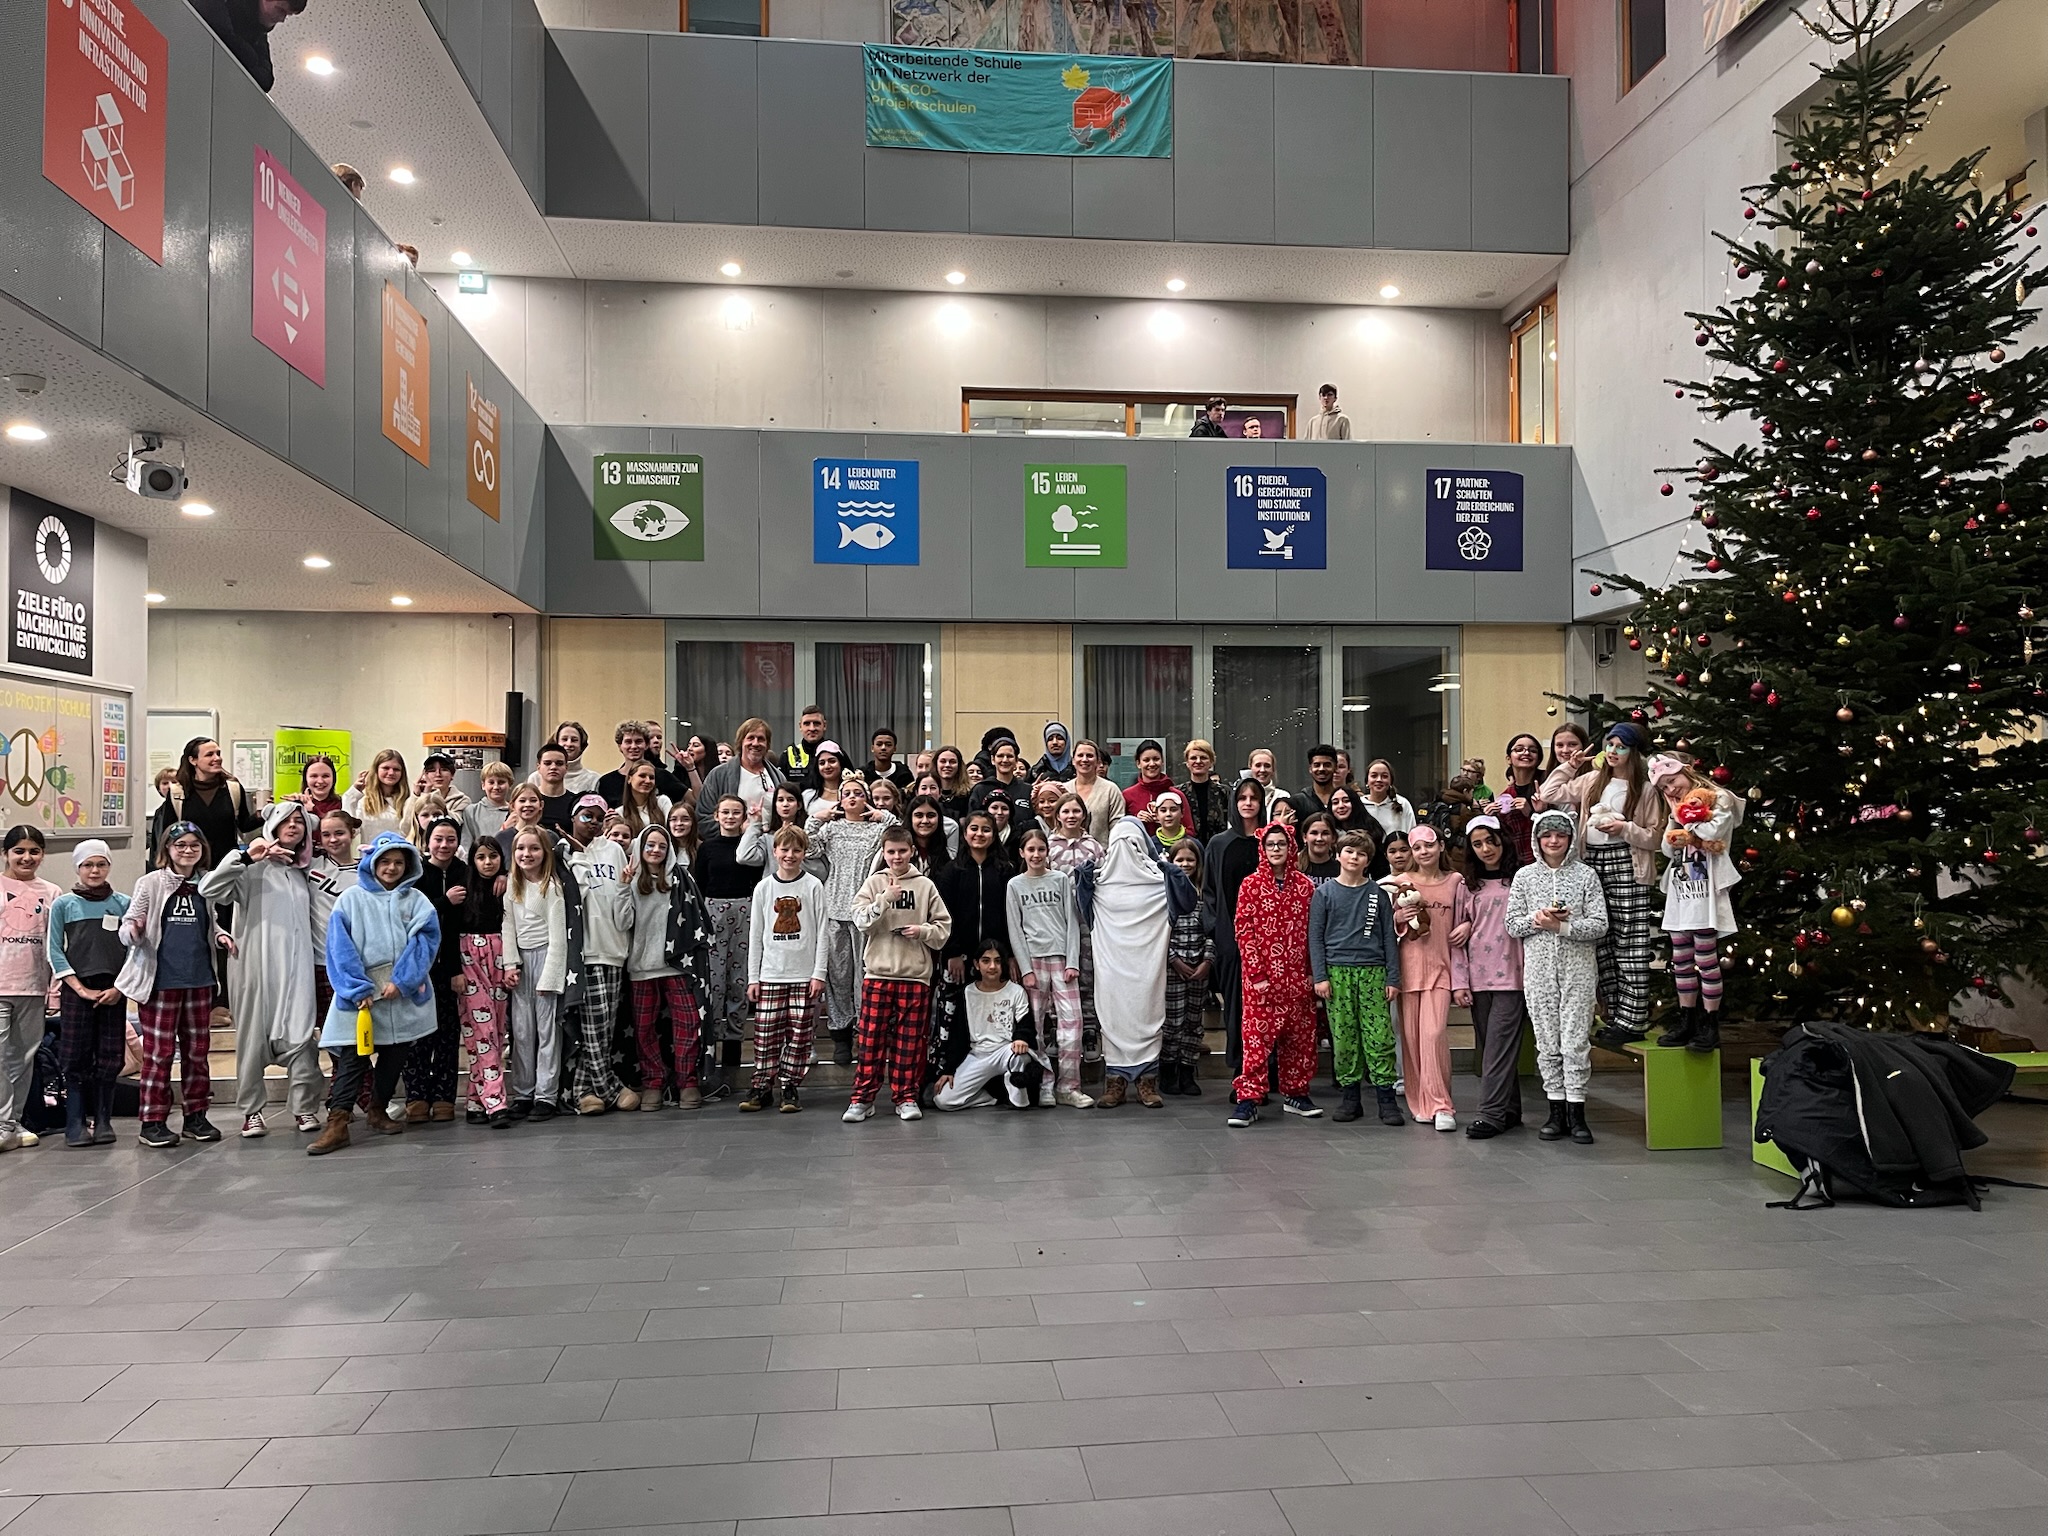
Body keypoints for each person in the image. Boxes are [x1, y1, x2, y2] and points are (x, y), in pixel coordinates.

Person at [305, 835, 442, 1157]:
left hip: (400, 997)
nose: (391, 868)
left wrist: (403, 981)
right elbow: (339, 947)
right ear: (372, 863)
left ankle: (378, 1110)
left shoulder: (417, 901)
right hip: (361, 999)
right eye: (385, 861)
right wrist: (357, 988)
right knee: (353, 1059)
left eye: (398, 862)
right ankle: (337, 1123)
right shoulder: (351, 899)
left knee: (395, 1057)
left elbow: (425, 943)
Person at [199, 803, 321, 1139]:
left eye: (300, 822)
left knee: (302, 1036)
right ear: (273, 826)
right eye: (287, 821)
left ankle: (305, 1107)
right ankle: (252, 1112)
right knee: (252, 1041)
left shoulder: (305, 870)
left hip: (297, 967)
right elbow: (208, 889)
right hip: (255, 967)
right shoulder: (252, 870)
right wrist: (245, 856)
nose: (294, 826)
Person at [1541, 720, 1664, 1048]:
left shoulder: (1645, 789)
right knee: (1603, 940)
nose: (1613, 751)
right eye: (1610, 744)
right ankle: (1614, 1014)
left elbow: (1655, 837)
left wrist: (1624, 829)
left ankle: (1633, 1018)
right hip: (1592, 862)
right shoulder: (1593, 780)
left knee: (1630, 942)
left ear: (1633, 752)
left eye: (1621, 747)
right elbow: (1549, 793)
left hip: (1627, 864)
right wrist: (1570, 766)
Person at [119, 824, 228, 1149]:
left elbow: (211, 922)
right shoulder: (151, 883)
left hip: (199, 980)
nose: (187, 850)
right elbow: (128, 924)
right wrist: (134, 931)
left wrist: (222, 936)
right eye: (180, 845)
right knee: (160, 1054)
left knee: (197, 1053)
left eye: (194, 844)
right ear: (167, 848)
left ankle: (196, 1116)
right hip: (160, 983)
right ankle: (153, 1121)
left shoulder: (206, 883)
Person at [1505, 809, 1609, 1145]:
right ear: (1537, 839)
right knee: (1547, 1040)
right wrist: (1539, 919)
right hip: (1538, 972)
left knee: (1575, 1040)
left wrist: (1563, 927)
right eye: (1547, 835)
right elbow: (1512, 925)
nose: (1553, 841)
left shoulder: (1586, 876)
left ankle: (1577, 1112)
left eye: (1560, 835)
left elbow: (1600, 925)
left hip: (1579, 970)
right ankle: (1556, 1111)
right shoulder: (1524, 877)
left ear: (1570, 838)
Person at [842, 825, 951, 1123]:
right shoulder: (874, 883)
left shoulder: (925, 886)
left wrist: (922, 931)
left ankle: (906, 1097)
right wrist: (884, 899)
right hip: (878, 973)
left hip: (914, 975)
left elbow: (943, 929)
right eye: (891, 851)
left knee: (910, 1043)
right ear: (884, 852)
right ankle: (862, 1099)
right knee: (870, 1040)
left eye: (902, 851)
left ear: (912, 851)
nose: (897, 856)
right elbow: (861, 921)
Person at [1648, 756, 1741, 1055]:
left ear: (1686, 773)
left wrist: (1685, 814)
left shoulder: (1718, 798)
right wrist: (1674, 818)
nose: (1671, 789)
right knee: (1681, 960)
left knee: (1706, 958)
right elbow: (1667, 848)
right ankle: (1687, 1020)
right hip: (1680, 890)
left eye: (1672, 781)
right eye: (1664, 787)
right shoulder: (1677, 810)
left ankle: (1710, 1024)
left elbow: (1713, 833)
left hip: (1706, 892)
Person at [1227, 823, 1319, 1127]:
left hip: (1298, 979)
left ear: (1291, 848)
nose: (1276, 849)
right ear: (1262, 849)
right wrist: (1256, 974)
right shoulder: (1251, 885)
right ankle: (1249, 1099)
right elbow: (1244, 931)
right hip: (1262, 982)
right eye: (1271, 844)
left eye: (1282, 844)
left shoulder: (1305, 886)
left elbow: (1314, 933)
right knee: (1256, 1042)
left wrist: (1311, 972)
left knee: (1300, 1039)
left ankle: (1296, 1094)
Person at [1311, 831, 1403, 1126]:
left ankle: (1386, 1098)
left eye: (1361, 854)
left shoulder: (1377, 894)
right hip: (1337, 973)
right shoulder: (1324, 894)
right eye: (1349, 851)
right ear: (1338, 855)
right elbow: (1315, 938)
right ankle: (1350, 1096)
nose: (1354, 857)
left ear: (1368, 861)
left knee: (1380, 1036)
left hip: (1373, 972)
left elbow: (1388, 937)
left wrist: (1393, 977)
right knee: (1344, 1037)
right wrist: (1320, 976)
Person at [807, 777, 896, 1068]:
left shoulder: (876, 831)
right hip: (835, 908)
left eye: (859, 793)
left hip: (866, 910)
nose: (853, 798)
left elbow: (898, 834)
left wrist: (884, 815)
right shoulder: (831, 829)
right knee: (838, 975)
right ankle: (840, 1033)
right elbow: (808, 849)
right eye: (847, 794)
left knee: (864, 974)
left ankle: (864, 1030)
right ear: (840, 800)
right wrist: (816, 818)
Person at [624, 824, 712, 1111]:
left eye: (662, 846)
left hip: (678, 965)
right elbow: (622, 922)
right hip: (641, 967)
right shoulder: (631, 881)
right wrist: (623, 888)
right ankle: (653, 1082)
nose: (656, 850)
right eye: (650, 845)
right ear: (640, 848)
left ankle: (687, 1080)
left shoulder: (681, 880)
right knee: (644, 1028)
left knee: (688, 1024)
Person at [559, 797, 637, 1117]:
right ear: (573, 817)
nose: (592, 822)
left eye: (598, 818)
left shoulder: (613, 850)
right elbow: (575, 899)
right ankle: (608, 1087)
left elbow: (620, 902)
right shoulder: (563, 852)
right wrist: (578, 855)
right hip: (584, 952)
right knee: (593, 1025)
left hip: (613, 948)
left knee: (604, 1027)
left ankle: (583, 1090)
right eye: (586, 816)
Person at [48, 841, 129, 1148]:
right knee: (75, 1055)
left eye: (101, 864)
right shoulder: (63, 905)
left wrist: (119, 988)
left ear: (108, 866)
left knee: (110, 1055)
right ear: (78, 868)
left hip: (113, 989)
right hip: (77, 989)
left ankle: (104, 1120)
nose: (94, 871)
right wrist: (79, 988)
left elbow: (135, 949)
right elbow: (54, 950)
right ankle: (75, 1122)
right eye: (88, 865)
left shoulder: (123, 904)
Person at [1090, 819, 1175, 1109]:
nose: (1126, 850)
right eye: (1120, 844)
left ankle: (1147, 1081)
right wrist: (1084, 881)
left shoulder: (1159, 881)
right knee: (1113, 1015)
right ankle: (1114, 1081)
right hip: (1111, 963)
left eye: (1134, 844)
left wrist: (1172, 874)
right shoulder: (1099, 882)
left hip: (1147, 964)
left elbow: (1185, 903)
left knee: (1147, 1012)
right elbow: (1084, 911)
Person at [1451, 816, 1526, 1140]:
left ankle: (1490, 1114)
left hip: (1513, 978)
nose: (1486, 849)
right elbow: (1455, 938)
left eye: (1490, 841)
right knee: (1492, 1047)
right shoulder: (1466, 886)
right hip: (1478, 978)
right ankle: (1510, 1110)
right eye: (1478, 844)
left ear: (1502, 840)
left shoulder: (1521, 879)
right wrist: (1459, 983)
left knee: (1497, 1046)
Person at [744, 826, 828, 1112]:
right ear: (774, 851)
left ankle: (789, 1085)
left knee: (800, 1034)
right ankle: (762, 1086)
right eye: (785, 849)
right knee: (766, 1034)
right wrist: (753, 977)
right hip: (771, 974)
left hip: (804, 975)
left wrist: (819, 973)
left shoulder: (813, 886)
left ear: (804, 853)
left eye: (796, 850)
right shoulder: (764, 888)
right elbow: (756, 935)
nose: (790, 855)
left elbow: (822, 933)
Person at [1005, 827, 1087, 1107]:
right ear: (1022, 853)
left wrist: (1072, 961)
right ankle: (1045, 1085)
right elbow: (1015, 929)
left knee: (1072, 1024)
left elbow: (1072, 921)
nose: (1036, 854)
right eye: (1031, 850)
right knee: (1036, 1028)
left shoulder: (1060, 879)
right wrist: (1025, 969)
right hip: (1034, 962)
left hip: (1062, 960)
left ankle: (1069, 1086)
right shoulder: (1015, 885)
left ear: (1048, 852)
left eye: (1041, 849)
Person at [1390, 824, 1460, 1130]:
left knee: (1434, 1035)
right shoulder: (1400, 882)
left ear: (1441, 846)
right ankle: (1420, 1102)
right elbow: (1388, 928)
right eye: (1417, 847)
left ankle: (1442, 1105)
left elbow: (1467, 915)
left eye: (1429, 845)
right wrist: (1397, 918)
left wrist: (1467, 926)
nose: (1423, 852)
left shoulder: (1455, 881)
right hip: (1408, 969)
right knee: (1411, 1040)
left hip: (1442, 968)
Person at [499, 827, 568, 1121]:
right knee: (522, 1032)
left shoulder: (551, 887)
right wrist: (510, 964)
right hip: (521, 963)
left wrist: (550, 976)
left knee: (547, 1031)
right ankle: (523, 1093)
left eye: (534, 848)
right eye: (521, 849)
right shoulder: (512, 886)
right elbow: (507, 928)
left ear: (545, 853)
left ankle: (546, 1095)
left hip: (546, 958)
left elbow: (558, 936)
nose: (526, 854)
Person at [692, 795, 760, 1087]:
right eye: (726, 812)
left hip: (745, 911)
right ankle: (711, 1056)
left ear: (743, 816)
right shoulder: (707, 848)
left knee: (739, 982)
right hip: (713, 913)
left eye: (736, 812)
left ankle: (733, 1054)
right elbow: (700, 885)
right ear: (716, 816)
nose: (730, 817)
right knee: (715, 982)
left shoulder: (750, 845)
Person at [1202, 777, 1268, 1071]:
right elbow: (1209, 892)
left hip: (1268, 940)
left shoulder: (1270, 841)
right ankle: (1242, 1070)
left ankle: (1269, 1069)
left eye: (1254, 798)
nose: (1248, 803)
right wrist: (1217, 931)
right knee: (1236, 1007)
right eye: (1242, 798)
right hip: (1231, 939)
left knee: (1267, 1007)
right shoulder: (1219, 844)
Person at [0, 828, 60, 1153]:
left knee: (22, 1060)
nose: (27, 858)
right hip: (1, 986)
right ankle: (2, 1123)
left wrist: (54, 989)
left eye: (34, 851)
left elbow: (55, 945)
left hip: (33, 986)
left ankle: (13, 1122)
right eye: (19, 851)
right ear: (6, 854)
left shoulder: (51, 892)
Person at [932, 939, 1041, 1111]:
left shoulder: (1016, 991)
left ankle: (1018, 1097)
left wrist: (1021, 1038)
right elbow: (957, 1035)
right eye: (986, 961)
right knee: (943, 1100)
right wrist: (949, 1069)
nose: (992, 966)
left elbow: (1025, 1024)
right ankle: (994, 1097)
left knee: (1020, 1056)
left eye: (997, 961)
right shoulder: (967, 993)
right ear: (976, 964)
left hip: (1006, 1051)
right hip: (978, 1054)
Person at [453, 837, 512, 1126]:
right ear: (472, 861)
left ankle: (476, 1101)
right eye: (481, 857)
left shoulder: (507, 886)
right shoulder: (463, 888)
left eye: (493, 856)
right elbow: (450, 930)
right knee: (481, 1031)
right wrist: (455, 971)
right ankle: (495, 1102)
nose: (488, 863)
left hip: (501, 958)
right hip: (469, 962)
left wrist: (507, 875)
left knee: (495, 1032)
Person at [151, 737, 263, 871]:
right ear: (193, 760)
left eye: (218, 753)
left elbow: (244, 825)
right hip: (190, 869)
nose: (217, 758)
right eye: (209, 754)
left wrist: (263, 813)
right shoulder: (178, 792)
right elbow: (168, 834)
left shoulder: (233, 788)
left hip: (227, 867)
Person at [1161, 840, 1210, 1097]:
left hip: (1199, 966)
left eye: (1190, 860)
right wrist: (1173, 959)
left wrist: (1207, 960)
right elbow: (1159, 932)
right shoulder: (1164, 893)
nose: (1185, 864)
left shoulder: (1205, 894)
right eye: (1179, 860)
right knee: (1173, 1021)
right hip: (1173, 967)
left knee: (1193, 1021)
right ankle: (1168, 1069)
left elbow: (1211, 930)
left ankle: (1187, 1070)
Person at [190, 0, 305, 94]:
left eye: (287, 15)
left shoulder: (259, 36)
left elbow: (266, 82)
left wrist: (245, 53)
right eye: (280, 10)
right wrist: (251, 57)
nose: (282, 19)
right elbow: (221, 32)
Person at [694, 718, 784, 838]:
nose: (755, 743)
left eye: (761, 739)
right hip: (731, 845)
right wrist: (736, 831)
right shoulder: (718, 775)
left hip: (771, 844)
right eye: (750, 738)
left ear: (767, 745)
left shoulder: (778, 778)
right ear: (741, 742)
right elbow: (703, 818)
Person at [599, 721, 690, 807]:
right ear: (620, 746)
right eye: (628, 742)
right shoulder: (606, 782)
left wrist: (690, 768)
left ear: (646, 745)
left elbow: (693, 799)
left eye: (638, 741)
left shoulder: (662, 776)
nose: (633, 746)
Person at [1489, 734, 1548, 863]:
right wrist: (1489, 819)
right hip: (1517, 864)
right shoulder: (1505, 796)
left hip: (1547, 860)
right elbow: (1503, 838)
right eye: (1519, 749)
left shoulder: (1547, 787)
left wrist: (1531, 814)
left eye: (1533, 750)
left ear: (1538, 759)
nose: (1526, 753)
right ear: (1509, 758)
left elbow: (1558, 829)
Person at [1065, 740, 1123, 842]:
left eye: (1089, 756)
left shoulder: (1110, 790)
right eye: (1080, 755)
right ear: (1073, 760)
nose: (1084, 759)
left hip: (1103, 851)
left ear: (1097, 761)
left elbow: (1117, 828)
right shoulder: (1064, 790)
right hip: (1066, 851)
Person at [1358, 759, 1417, 857]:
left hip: (1397, 860)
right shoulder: (1359, 805)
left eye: (1384, 776)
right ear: (1367, 780)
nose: (1379, 780)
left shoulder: (1402, 804)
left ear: (1390, 781)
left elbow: (1412, 834)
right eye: (1374, 776)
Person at [1179, 739, 1230, 844]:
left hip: (1219, 848)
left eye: (1203, 758)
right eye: (1193, 758)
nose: (1198, 761)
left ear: (1211, 762)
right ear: (1187, 763)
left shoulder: (1224, 792)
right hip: (1187, 849)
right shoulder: (1179, 793)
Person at [462, 762, 515, 853]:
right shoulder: (471, 812)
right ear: (483, 785)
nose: (496, 787)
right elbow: (465, 847)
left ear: (509, 784)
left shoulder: (515, 813)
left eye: (501, 782)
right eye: (491, 782)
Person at [535, 722, 600, 796]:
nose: (569, 744)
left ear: (581, 745)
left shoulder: (593, 779)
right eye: (564, 739)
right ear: (556, 743)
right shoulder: (536, 778)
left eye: (574, 740)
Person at [528, 745, 580, 835]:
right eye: (547, 763)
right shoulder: (526, 801)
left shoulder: (575, 802)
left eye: (559, 763)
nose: (553, 767)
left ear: (566, 768)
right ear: (538, 767)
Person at [1121, 740, 1176, 822]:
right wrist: (1135, 820)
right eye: (1146, 760)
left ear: (1162, 761)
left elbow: (1188, 828)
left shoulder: (1175, 794)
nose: (1152, 764)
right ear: (1138, 763)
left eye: (1156, 759)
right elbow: (1120, 826)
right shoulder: (1127, 796)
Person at [616, 760, 672, 839]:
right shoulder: (620, 812)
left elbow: (671, 832)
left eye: (651, 778)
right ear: (629, 779)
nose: (648, 781)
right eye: (642, 776)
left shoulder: (662, 802)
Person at [779, 704, 829, 781]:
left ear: (824, 725)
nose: (812, 728)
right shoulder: (788, 755)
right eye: (807, 724)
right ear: (800, 726)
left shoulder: (835, 754)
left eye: (816, 723)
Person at [801, 741, 851, 817]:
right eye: (822, 763)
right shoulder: (807, 795)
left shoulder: (853, 794)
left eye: (832, 761)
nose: (827, 766)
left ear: (841, 763)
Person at [417, 753, 473, 819]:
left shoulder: (462, 800)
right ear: (425, 775)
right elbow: (408, 823)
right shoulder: (418, 797)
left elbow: (456, 821)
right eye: (432, 770)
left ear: (452, 774)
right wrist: (418, 795)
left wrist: (434, 796)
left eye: (444, 770)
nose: (438, 774)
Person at [290, 755, 343, 821]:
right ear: (305, 779)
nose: (320, 781)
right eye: (314, 776)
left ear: (333, 779)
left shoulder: (343, 804)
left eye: (325, 776)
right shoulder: (296, 806)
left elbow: (333, 825)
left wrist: (313, 809)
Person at [863, 726, 914, 793]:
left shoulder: (905, 775)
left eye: (888, 745)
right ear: (872, 748)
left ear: (894, 749)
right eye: (879, 744)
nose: (883, 748)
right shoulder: (863, 775)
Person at [1297, 812, 1341, 883]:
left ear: (1333, 838)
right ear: (1304, 837)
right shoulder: (1294, 867)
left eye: (1325, 833)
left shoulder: (1342, 870)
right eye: (1314, 833)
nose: (1319, 838)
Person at [1150, 790, 1196, 856]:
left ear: (1182, 813)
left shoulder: (1194, 845)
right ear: (1157, 814)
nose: (1168, 814)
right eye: (1163, 810)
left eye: (1173, 810)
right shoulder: (1150, 845)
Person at [934, 746, 972, 818]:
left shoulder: (968, 795)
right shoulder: (929, 793)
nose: (947, 765)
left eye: (952, 762)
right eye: (943, 761)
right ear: (936, 764)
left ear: (959, 766)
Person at [1302, 744, 1341, 814]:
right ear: (1310, 769)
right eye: (1317, 765)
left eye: (1327, 765)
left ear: (1335, 767)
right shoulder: (1299, 801)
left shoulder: (1345, 799)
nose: (1321, 769)